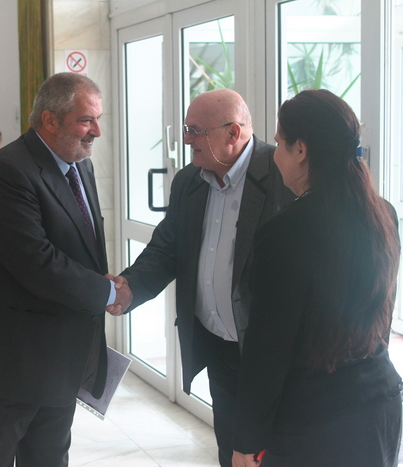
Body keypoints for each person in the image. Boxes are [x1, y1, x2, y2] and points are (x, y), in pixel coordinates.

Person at [0, 72, 131, 467]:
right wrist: (108, 292)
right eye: (86, 120)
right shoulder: (9, 168)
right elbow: (35, 260)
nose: (96, 131)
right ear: (50, 119)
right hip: (6, 363)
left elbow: (82, 251)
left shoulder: (80, 166)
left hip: (60, 361)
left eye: (98, 119)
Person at [108, 89, 293, 467]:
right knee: (231, 449)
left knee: (271, 453)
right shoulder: (188, 181)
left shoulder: (281, 176)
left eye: (195, 131)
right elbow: (166, 248)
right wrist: (130, 288)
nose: (187, 139)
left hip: (269, 356)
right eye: (186, 129)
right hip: (219, 350)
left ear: (233, 133)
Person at [232, 89, 402, 467]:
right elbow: (380, 312)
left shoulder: (285, 232)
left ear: (301, 150)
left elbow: (268, 348)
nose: (275, 155)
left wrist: (246, 439)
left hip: (316, 421)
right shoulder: (384, 214)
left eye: (279, 144)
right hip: (379, 401)